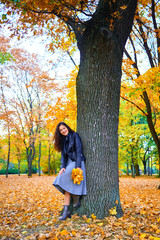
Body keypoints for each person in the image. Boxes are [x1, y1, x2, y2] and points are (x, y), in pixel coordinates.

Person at [53, 122, 87, 220]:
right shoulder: (63, 141)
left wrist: (78, 166)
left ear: (67, 127)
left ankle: (76, 196)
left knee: (64, 180)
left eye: (64, 128)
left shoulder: (74, 135)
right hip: (68, 163)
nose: (63, 130)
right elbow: (63, 155)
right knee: (65, 185)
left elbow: (79, 150)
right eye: (61, 130)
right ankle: (66, 211)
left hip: (77, 162)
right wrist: (62, 167)